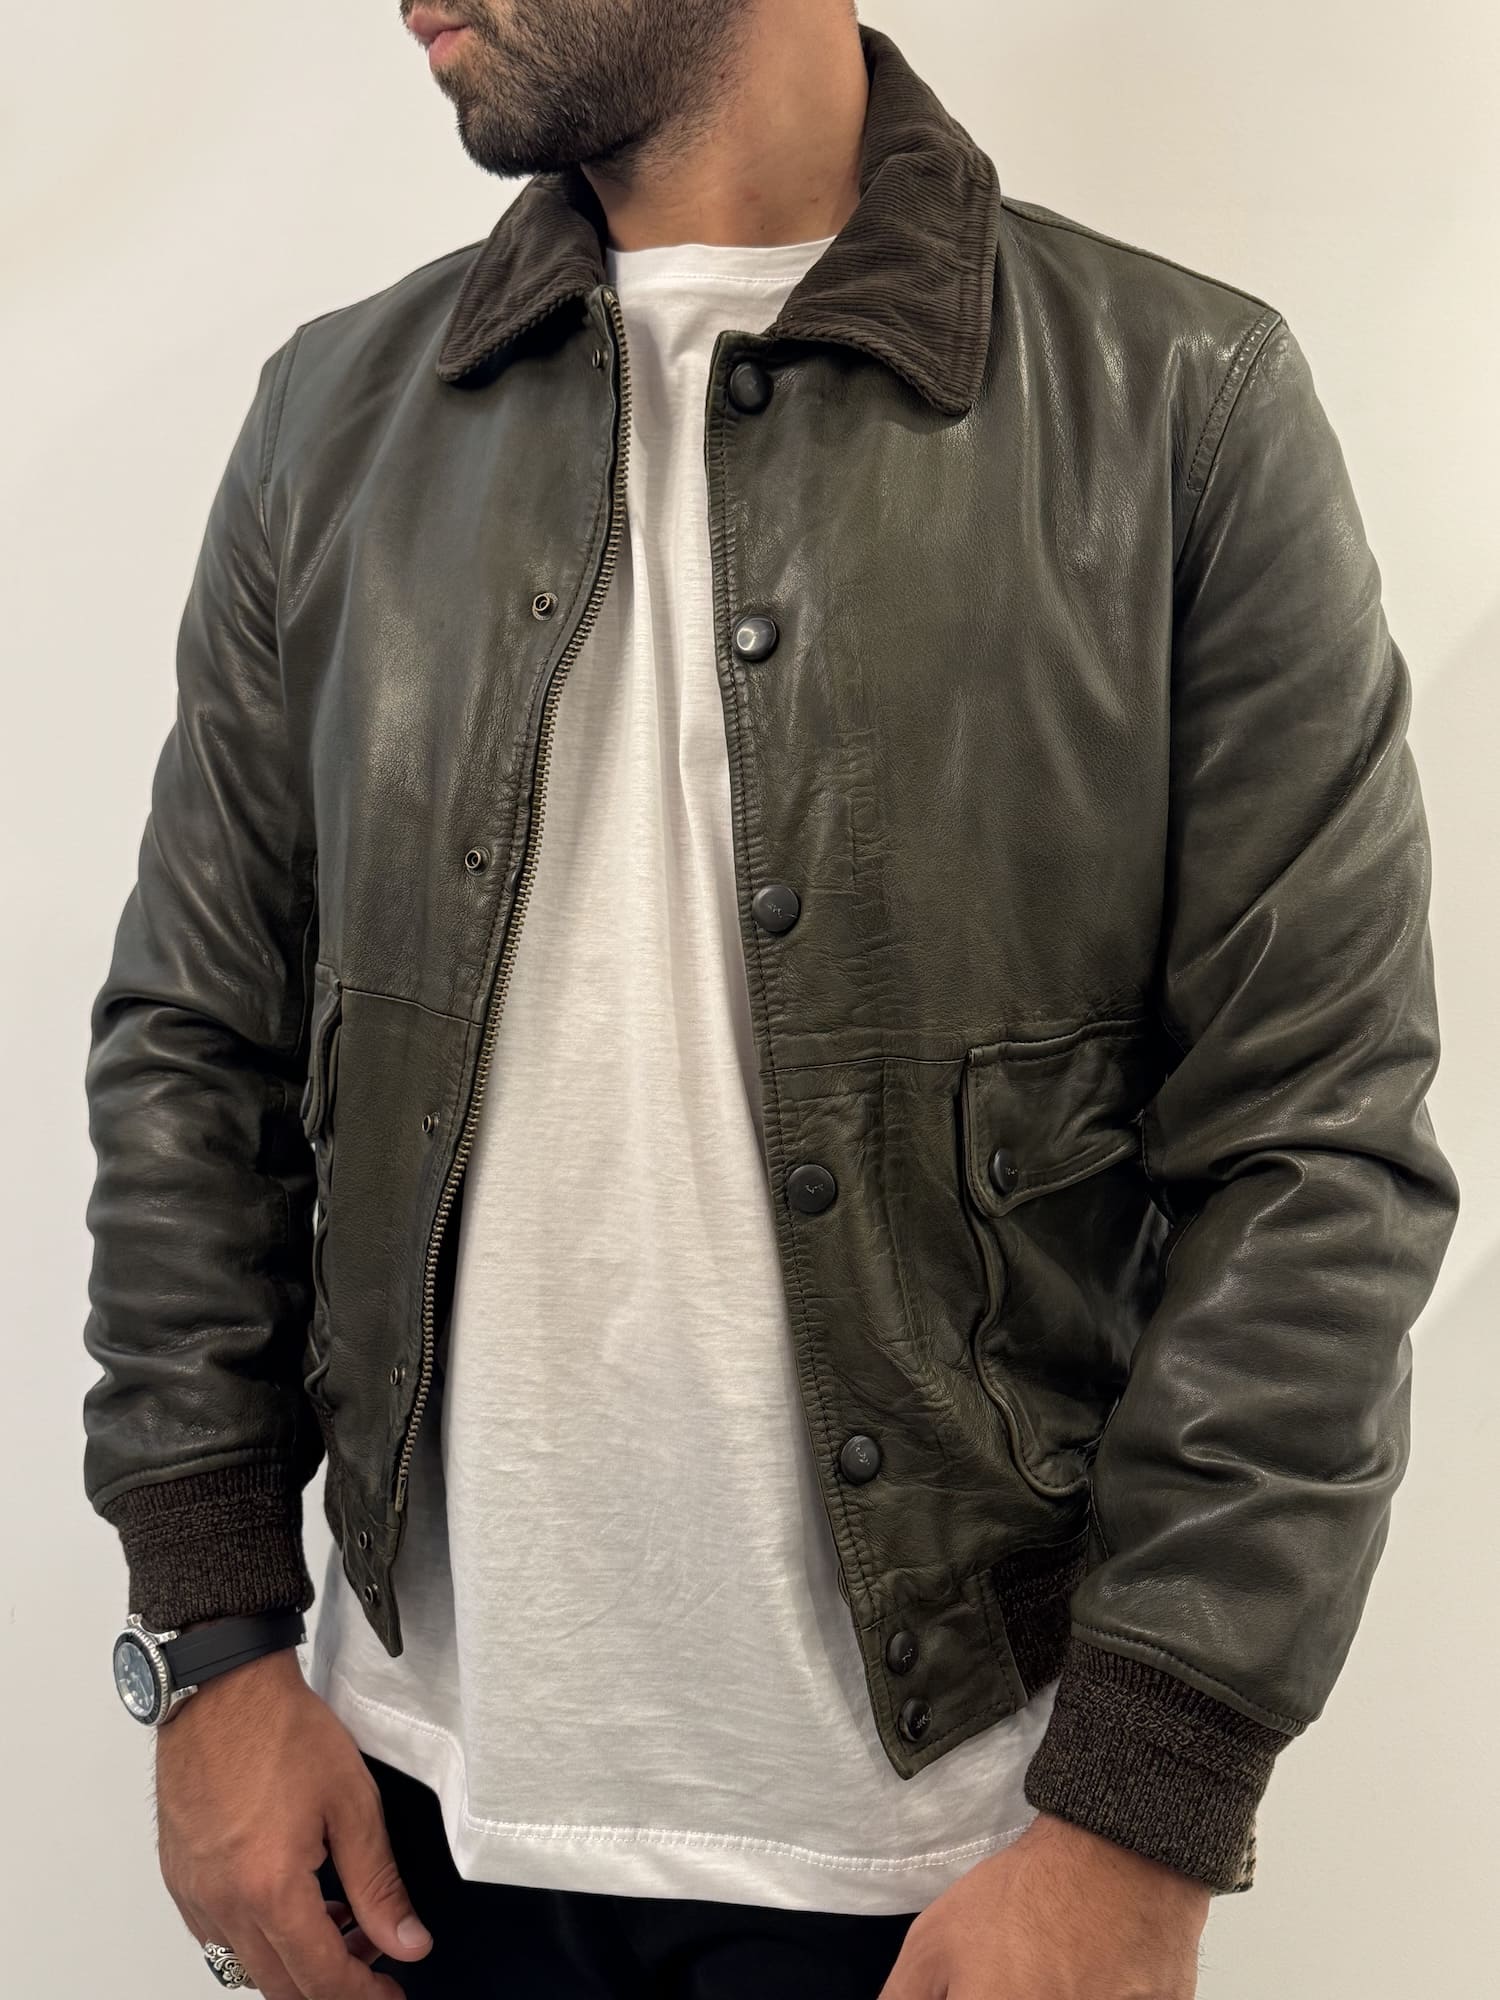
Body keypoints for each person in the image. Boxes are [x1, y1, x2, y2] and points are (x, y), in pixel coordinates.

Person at [81, 3, 1461, 1996]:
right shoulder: (334, 419)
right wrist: (209, 1641)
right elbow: (197, 1053)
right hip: (409, 1830)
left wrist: (1142, 1814)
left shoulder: (1179, 405)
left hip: (953, 1868)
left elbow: (1312, 1152)